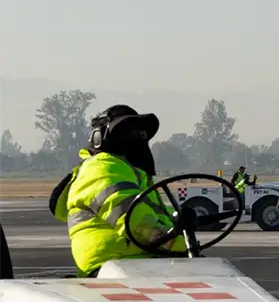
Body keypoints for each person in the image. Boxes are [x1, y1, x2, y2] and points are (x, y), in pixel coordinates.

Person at [50, 104, 186, 278]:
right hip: (113, 266)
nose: (135, 139)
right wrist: (180, 246)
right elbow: (136, 220)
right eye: (125, 132)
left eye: (140, 134)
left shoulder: (135, 176)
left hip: (138, 262)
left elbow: (159, 216)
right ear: (99, 138)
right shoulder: (101, 167)